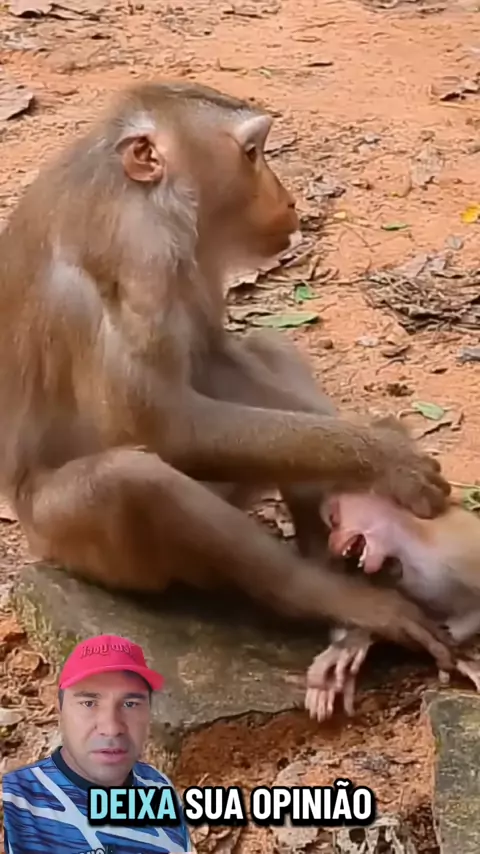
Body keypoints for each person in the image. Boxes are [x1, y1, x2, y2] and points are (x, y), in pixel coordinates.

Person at [2, 634, 193, 853]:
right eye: (89, 703)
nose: (111, 727)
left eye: (130, 704)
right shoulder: (21, 798)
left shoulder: (158, 787)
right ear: (60, 710)